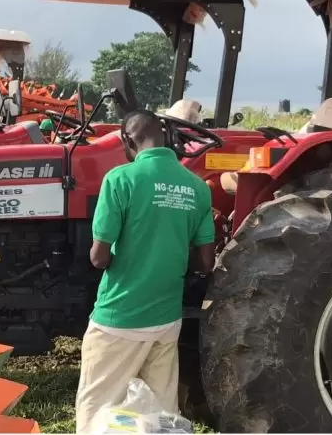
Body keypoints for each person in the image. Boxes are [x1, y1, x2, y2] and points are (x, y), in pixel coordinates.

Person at [75, 110, 216, 433]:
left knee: (96, 405)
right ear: (165, 137)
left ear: (127, 140)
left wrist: (125, 257)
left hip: (119, 317)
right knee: (162, 411)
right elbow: (205, 263)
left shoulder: (120, 179)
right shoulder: (196, 186)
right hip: (166, 319)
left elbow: (98, 257)